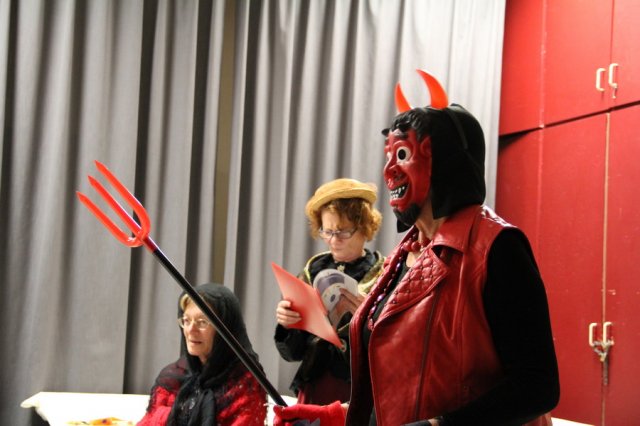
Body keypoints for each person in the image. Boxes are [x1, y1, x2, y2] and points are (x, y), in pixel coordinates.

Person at [274, 71, 560, 425]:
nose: (389, 170)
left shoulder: (498, 248)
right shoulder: (403, 257)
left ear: (444, 161)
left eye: (403, 154)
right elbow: (404, 390)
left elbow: (537, 387)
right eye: (389, 156)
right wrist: (336, 417)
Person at [274, 178, 385, 405]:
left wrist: (369, 320)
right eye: (327, 231)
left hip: (358, 391)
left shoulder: (382, 273)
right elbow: (293, 354)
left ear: (364, 227)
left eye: (342, 232)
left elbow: (391, 348)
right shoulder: (313, 269)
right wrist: (287, 324)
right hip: (313, 386)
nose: (333, 240)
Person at [138, 283, 266, 426]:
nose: (191, 330)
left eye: (202, 322)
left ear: (225, 328)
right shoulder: (174, 375)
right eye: (186, 320)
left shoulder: (246, 382)